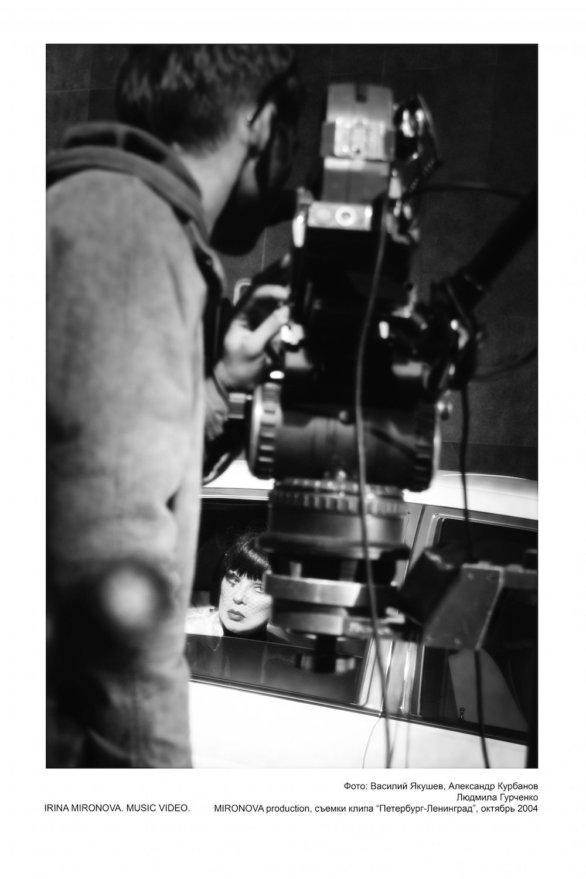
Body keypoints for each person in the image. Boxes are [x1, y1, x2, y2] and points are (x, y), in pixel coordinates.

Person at [46, 45, 302, 768]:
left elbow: (106, 461)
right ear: (262, 123)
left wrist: (219, 383)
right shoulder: (132, 232)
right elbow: (113, 568)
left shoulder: (103, 214)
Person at [186, 527, 280, 639]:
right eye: (234, 579)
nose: (237, 597)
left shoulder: (287, 648)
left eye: (260, 588)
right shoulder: (184, 635)